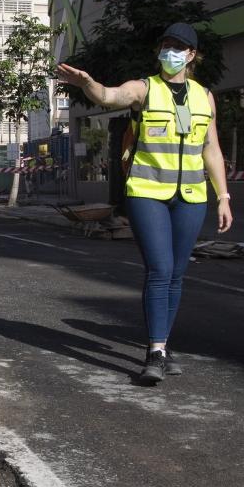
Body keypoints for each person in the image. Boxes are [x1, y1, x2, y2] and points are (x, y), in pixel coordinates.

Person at [57, 22, 232, 384]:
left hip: (191, 196)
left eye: (179, 47)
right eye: (166, 46)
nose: (171, 53)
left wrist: (224, 197)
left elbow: (211, 149)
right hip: (148, 192)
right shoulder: (144, 89)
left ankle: (164, 345)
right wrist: (87, 83)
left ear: (192, 55)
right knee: (160, 269)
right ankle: (154, 352)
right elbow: (107, 96)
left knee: (177, 275)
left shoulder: (205, 96)